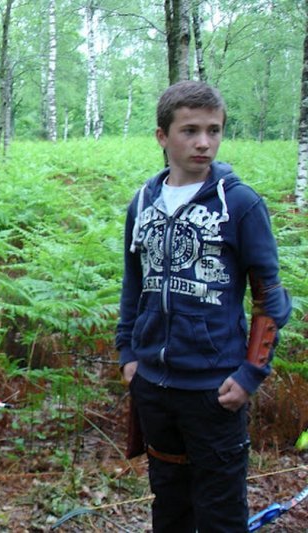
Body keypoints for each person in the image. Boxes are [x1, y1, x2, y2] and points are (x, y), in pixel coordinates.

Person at [116, 80, 291, 532]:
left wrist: (250, 373)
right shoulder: (143, 203)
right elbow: (134, 286)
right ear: (162, 136)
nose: (204, 143)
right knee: (169, 505)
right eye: (190, 130)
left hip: (215, 390)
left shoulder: (241, 204)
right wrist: (128, 354)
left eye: (214, 131)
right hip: (153, 387)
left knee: (220, 513)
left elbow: (270, 298)